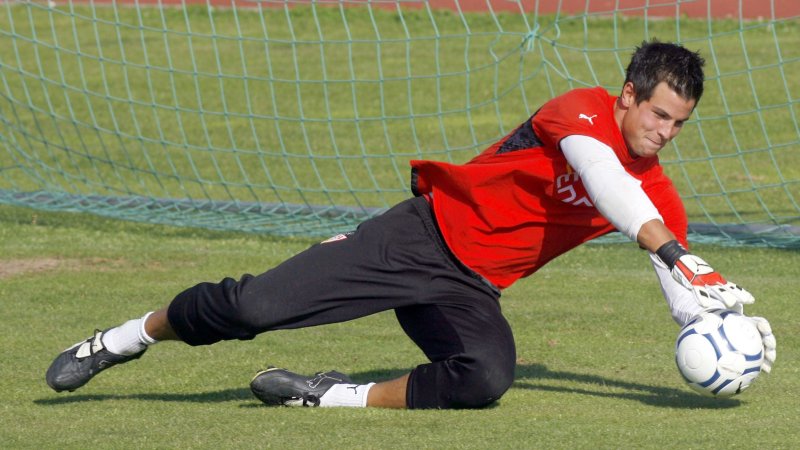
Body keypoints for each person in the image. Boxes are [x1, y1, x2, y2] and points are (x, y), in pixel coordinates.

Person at [46, 40, 776, 409]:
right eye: (657, 114)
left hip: (469, 288)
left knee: (485, 380)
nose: (666, 131)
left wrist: (724, 323)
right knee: (249, 308)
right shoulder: (580, 113)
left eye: (679, 122)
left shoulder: (660, 202)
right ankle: (125, 338)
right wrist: (676, 250)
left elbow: (680, 287)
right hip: (416, 239)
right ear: (626, 97)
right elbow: (605, 183)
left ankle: (329, 397)